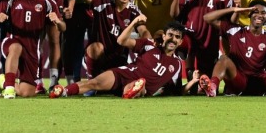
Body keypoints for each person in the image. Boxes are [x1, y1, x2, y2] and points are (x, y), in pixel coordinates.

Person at [60, 17, 193, 99]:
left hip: (143, 87)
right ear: (164, 36)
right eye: (170, 35)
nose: (173, 39)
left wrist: (193, 81)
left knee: (141, 87)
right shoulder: (149, 45)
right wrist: (135, 22)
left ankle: (133, 90)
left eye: (177, 37)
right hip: (123, 73)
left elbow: (176, 90)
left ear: (180, 42)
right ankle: (63, 91)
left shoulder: (176, 64)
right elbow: (122, 40)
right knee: (93, 83)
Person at [0, 0, 65, 98]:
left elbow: (63, 27)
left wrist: (58, 21)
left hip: (33, 47)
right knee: (15, 47)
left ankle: (4, 80)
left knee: (27, 92)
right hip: (13, 39)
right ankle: (9, 88)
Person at [173, 0, 237, 79]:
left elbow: (230, 22)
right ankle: (188, 79)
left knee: (206, 77)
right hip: (191, 33)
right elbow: (176, 14)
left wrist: (237, 8)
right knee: (189, 50)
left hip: (212, 37)